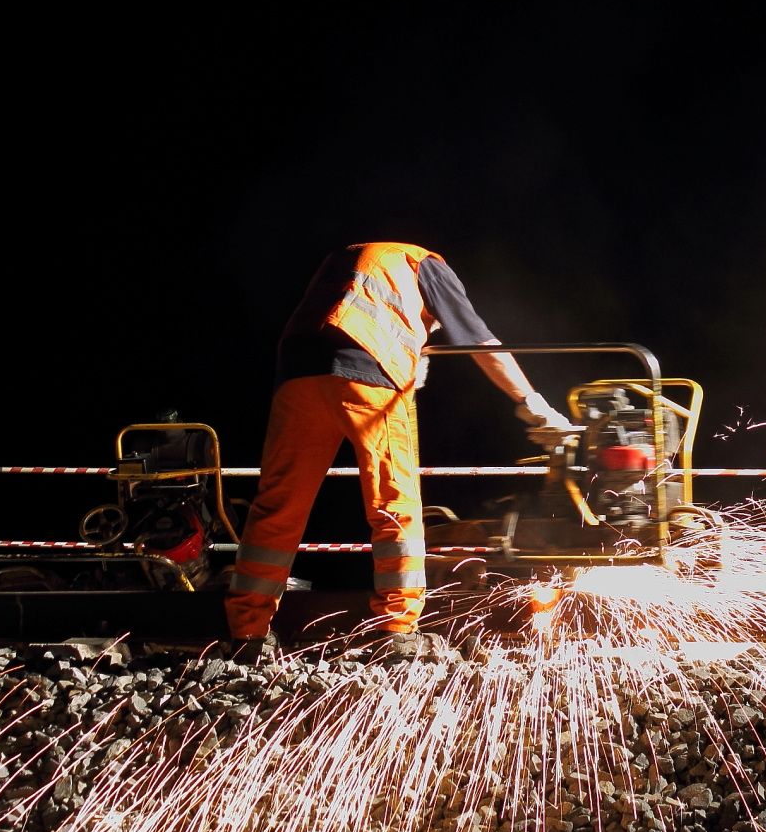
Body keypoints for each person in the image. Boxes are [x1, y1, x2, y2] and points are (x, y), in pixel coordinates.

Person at [225, 241, 571, 662]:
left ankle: (247, 631)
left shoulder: (352, 259)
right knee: (395, 499)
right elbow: (481, 342)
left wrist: (411, 357)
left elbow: (346, 314)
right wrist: (533, 405)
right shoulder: (427, 265)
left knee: (279, 504)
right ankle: (396, 629)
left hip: (297, 370)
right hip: (367, 368)